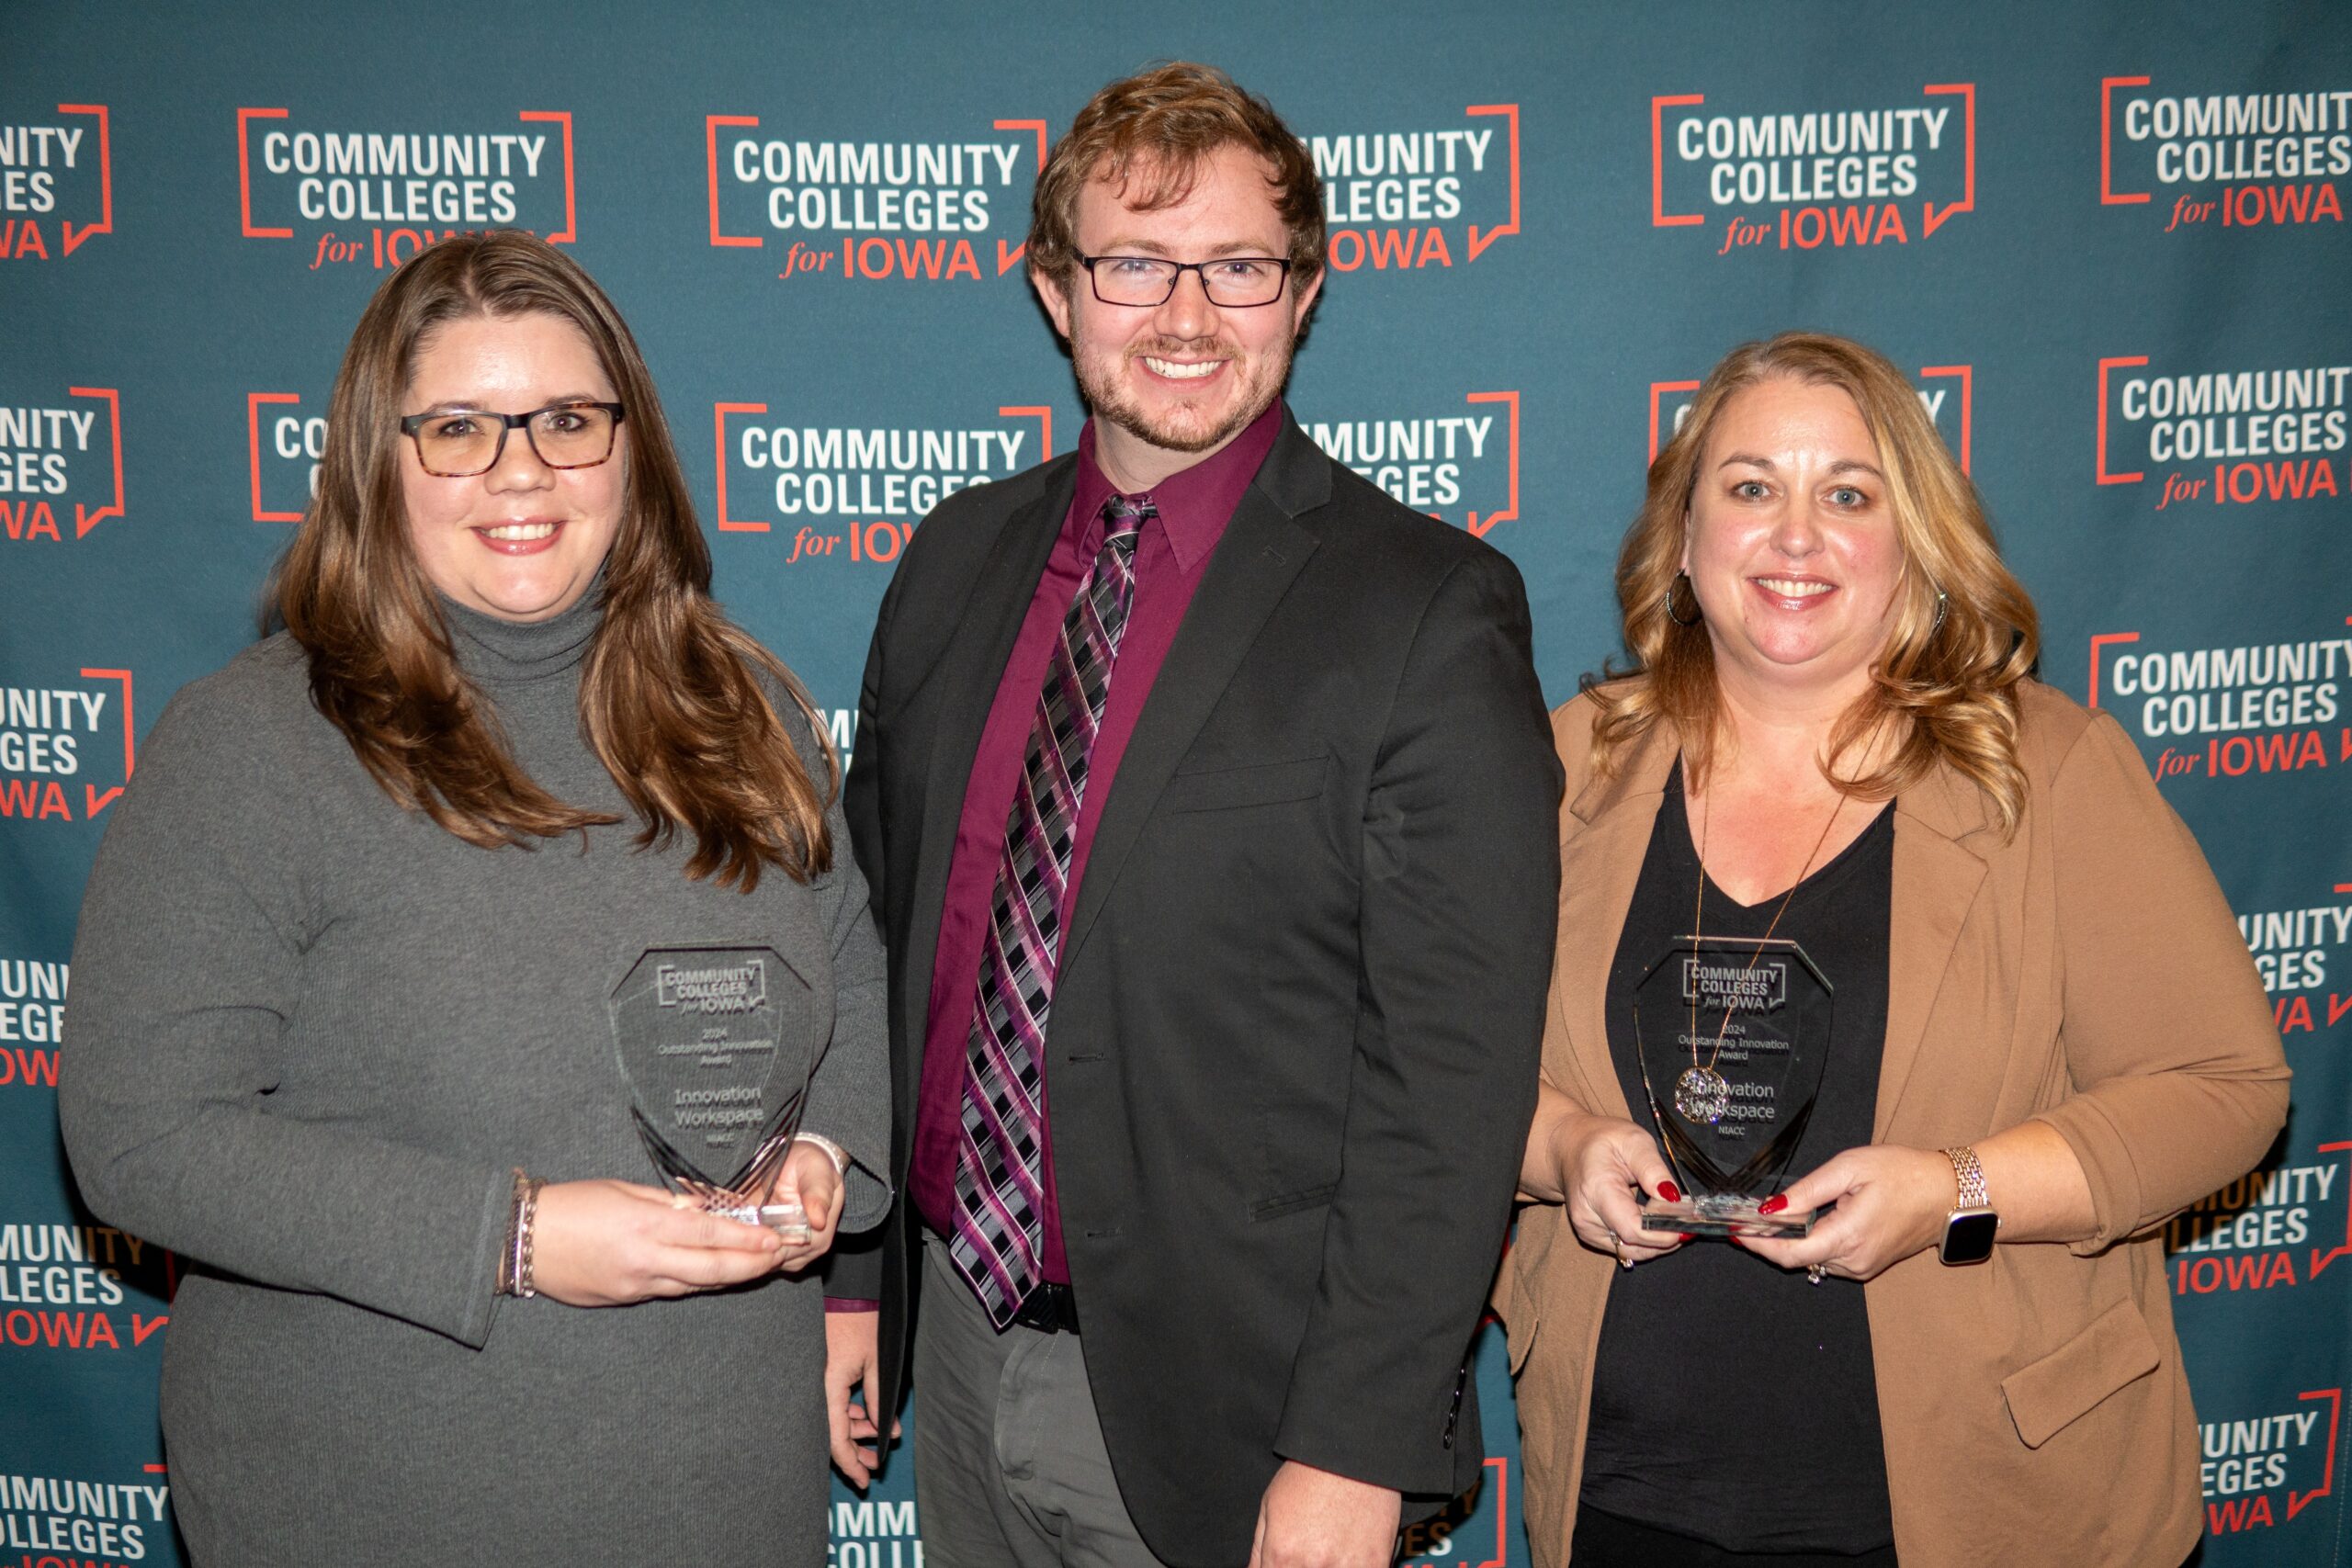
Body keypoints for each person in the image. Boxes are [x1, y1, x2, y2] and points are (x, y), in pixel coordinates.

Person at [820, 62, 1561, 1568]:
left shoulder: (1424, 609)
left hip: (1237, 1409)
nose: (1184, 315)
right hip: (953, 1349)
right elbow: (873, 938)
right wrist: (851, 1277)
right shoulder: (955, 562)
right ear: (1053, 290)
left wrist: (1355, 1444)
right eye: (1134, 264)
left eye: (1237, 266)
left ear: (1303, 292)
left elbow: (1453, 1077)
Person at [58, 231, 888, 1568]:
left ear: (633, 448)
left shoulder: (748, 712)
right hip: (376, 1504)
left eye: (566, 419)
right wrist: (511, 1236)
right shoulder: (258, 744)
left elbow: (855, 993)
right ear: (377, 461)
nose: (522, 470)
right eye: (458, 427)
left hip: (722, 1495)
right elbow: (139, 1138)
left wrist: (827, 1161)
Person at [1496, 331, 2290, 1568]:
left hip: (2000, 1505)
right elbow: (1435, 1064)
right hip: (1627, 1502)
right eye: (1751, 487)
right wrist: (1559, 1148)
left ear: (1913, 543)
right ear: (1686, 542)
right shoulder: (1565, 768)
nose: (1796, 536)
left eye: (1848, 494)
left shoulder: (2052, 773)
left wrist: (1952, 1192)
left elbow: (2227, 1093)